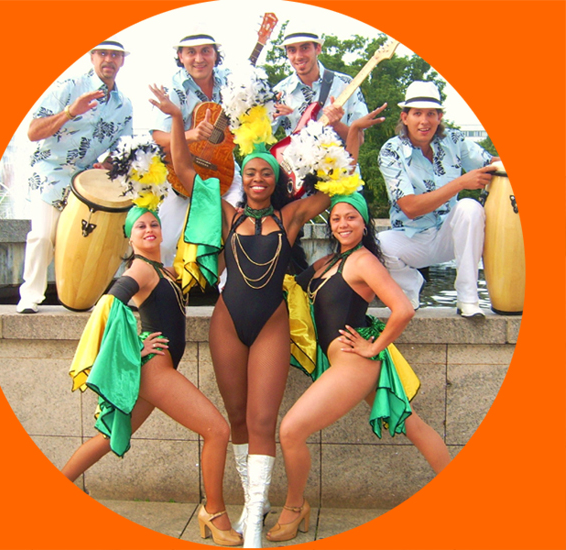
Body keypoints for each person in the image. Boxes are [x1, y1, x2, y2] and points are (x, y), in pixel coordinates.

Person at [149, 84, 332, 548]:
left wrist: (333, 133)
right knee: (236, 417)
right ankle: (254, 502)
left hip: (271, 322)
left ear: (275, 179)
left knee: (263, 420)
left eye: (265, 173)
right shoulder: (227, 213)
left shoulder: (290, 217)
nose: (257, 179)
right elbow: (184, 170)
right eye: (250, 172)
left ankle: (252, 529)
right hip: (227, 322)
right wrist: (177, 118)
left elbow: (334, 189)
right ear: (242, 178)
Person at [267, 194, 451, 543]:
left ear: (364, 224)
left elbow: (402, 309)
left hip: (355, 361)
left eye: (351, 217)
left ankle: (294, 507)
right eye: (336, 218)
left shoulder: (364, 261)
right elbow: (287, 287)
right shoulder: (329, 261)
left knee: (291, 431)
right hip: (345, 363)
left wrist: (373, 347)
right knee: (413, 426)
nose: (343, 224)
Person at [63, 206, 242, 547]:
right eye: (140, 226)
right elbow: (110, 302)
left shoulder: (165, 270)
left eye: (154, 224)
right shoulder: (141, 269)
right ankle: (214, 513)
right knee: (217, 431)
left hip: (156, 370)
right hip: (155, 369)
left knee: (108, 437)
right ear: (130, 237)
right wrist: (135, 346)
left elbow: (209, 270)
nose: (149, 230)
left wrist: (232, 235)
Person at [17, 41, 133, 314]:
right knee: (43, 236)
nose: (108, 59)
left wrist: (107, 165)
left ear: (122, 60)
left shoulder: (124, 105)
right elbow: (33, 132)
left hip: (87, 180)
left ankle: (86, 297)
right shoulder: (68, 87)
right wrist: (71, 112)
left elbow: (123, 148)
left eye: (115, 55)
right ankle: (30, 296)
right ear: (92, 57)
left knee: (96, 239)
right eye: (102, 53)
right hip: (50, 172)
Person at [377, 80, 500, 316]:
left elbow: (491, 164)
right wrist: (461, 183)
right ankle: (410, 289)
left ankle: (468, 299)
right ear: (405, 117)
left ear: (439, 117)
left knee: (470, 207)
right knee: (376, 243)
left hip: (450, 234)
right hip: (411, 237)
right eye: (417, 113)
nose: (424, 121)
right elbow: (410, 207)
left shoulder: (454, 140)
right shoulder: (390, 151)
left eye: (431, 114)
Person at [150, 32, 243, 267]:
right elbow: (157, 137)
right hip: (181, 173)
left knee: (233, 233)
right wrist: (190, 135)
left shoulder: (231, 81)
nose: (199, 59)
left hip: (223, 170)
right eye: (191, 52)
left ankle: (226, 286)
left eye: (205, 51)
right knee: (165, 242)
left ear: (215, 55)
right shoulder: (173, 89)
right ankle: (160, 284)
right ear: (180, 56)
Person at [272, 26, 369, 143]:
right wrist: (269, 115)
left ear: (318, 49)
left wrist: (337, 125)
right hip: (295, 154)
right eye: (292, 50)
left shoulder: (347, 84)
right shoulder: (279, 91)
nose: (298, 56)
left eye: (305, 48)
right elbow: (258, 138)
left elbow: (359, 140)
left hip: (338, 155)